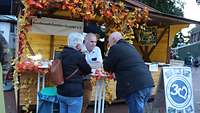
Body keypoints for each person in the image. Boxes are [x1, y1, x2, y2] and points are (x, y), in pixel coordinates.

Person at [103, 32, 154, 113]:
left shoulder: (115, 48)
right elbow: (126, 64)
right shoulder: (131, 47)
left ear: (113, 40)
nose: (109, 44)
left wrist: (107, 54)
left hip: (135, 86)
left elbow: (107, 66)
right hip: (148, 83)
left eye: (109, 42)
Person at [57, 32, 92, 113]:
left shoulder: (61, 54)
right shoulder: (79, 56)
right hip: (74, 93)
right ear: (78, 45)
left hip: (61, 91)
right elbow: (88, 70)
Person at [81, 33, 103, 113]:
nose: (94, 44)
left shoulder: (97, 49)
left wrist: (89, 65)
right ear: (85, 41)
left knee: (86, 100)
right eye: (91, 42)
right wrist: (92, 65)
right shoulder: (80, 48)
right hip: (79, 78)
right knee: (79, 100)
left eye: (95, 42)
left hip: (88, 78)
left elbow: (99, 64)